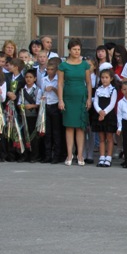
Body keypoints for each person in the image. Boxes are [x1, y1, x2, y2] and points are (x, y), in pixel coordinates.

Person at [58, 38, 92, 166]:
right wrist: (60, 100)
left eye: (78, 49)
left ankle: (80, 155)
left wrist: (89, 98)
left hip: (81, 97)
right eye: (74, 49)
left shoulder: (85, 65)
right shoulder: (63, 65)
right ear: (69, 50)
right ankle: (69, 155)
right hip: (68, 97)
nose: (77, 52)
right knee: (69, 127)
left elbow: (89, 83)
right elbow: (60, 83)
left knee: (80, 127)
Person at [92, 68, 118, 167]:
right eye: (102, 77)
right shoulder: (98, 90)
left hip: (109, 115)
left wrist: (104, 112)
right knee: (101, 137)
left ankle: (108, 157)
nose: (104, 80)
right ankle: (102, 156)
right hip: (99, 115)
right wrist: (99, 111)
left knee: (109, 137)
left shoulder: (113, 90)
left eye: (106, 77)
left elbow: (112, 103)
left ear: (111, 78)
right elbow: (95, 101)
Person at [18, 69, 42, 163]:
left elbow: (39, 103)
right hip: (24, 115)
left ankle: (34, 155)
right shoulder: (22, 90)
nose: (28, 79)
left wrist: (32, 106)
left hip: (33, 115)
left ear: (35, 79)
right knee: (24, 136)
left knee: (33, 137)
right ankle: (24, 155)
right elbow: (19, 102)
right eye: (27, 77)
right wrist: (22, 106)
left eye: (31, 77)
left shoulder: (37, 90)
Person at [42, 58, 62, 164]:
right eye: (48, 69)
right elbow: (41, 91)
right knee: (48, 133)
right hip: (46, 105)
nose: (50, 71)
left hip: (55, 105)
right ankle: (48, 155)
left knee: (56, 132)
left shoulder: (58, 79)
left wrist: (53, 89)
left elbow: (60, 93)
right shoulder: (44, 79)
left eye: (52, 69)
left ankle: (57, 155)